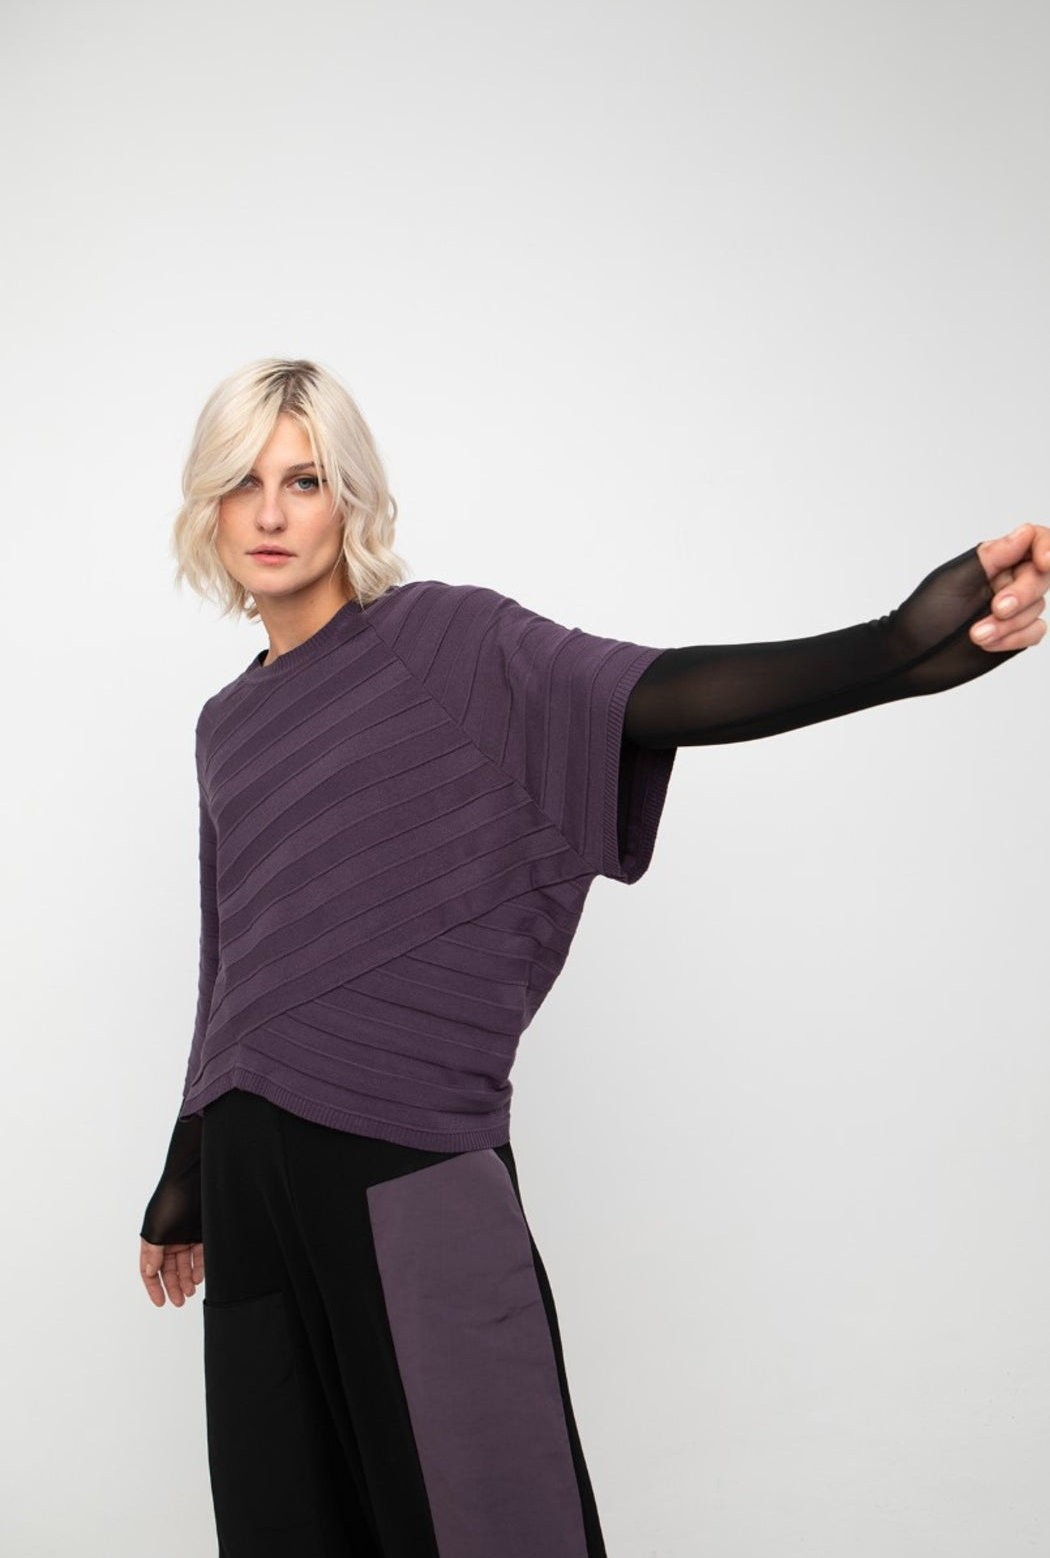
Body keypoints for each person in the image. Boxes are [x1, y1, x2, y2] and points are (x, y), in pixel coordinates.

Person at [139, 358, 1048, 1558]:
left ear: (349, 497)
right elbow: (232, 957)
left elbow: (653, 697)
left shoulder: (444, 641)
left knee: (492, 1520)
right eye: (241, 482)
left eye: (302, 480)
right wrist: (187, 1166)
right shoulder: (227, 723)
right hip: (252, 1174)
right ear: (207, 505)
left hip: (405, 1156)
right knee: (285, 1526)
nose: (269, 512)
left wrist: (899, 643)